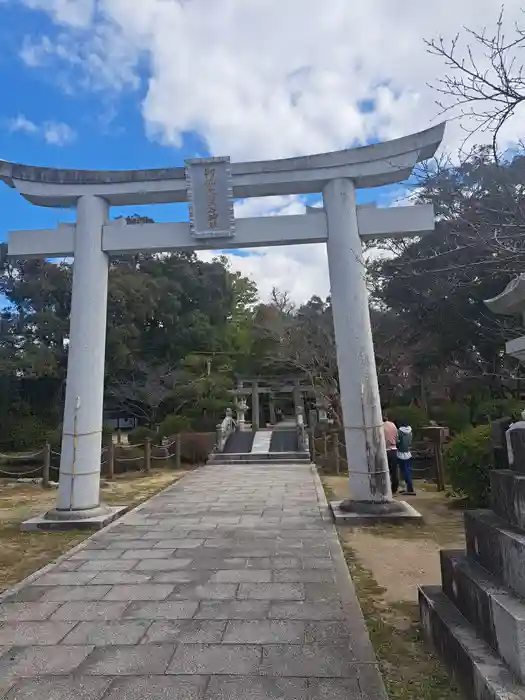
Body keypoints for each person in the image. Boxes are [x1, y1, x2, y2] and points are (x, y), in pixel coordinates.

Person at [397, 420, 415, 495]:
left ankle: (408, 488)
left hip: (400, 453)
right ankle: (408, 487)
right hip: (408, 452)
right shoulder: (410, 432)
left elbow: (397, 442)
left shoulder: (399, 431)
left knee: (403, 471)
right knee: (407, 470)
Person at [383, 414, 399, 494]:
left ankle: (385, 488)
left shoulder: (380, 427)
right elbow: (397, 437)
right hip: (394, 449)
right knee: (394, 471)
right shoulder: (393, 425)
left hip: (385, 450)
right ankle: (394, 488)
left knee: (384, 471)